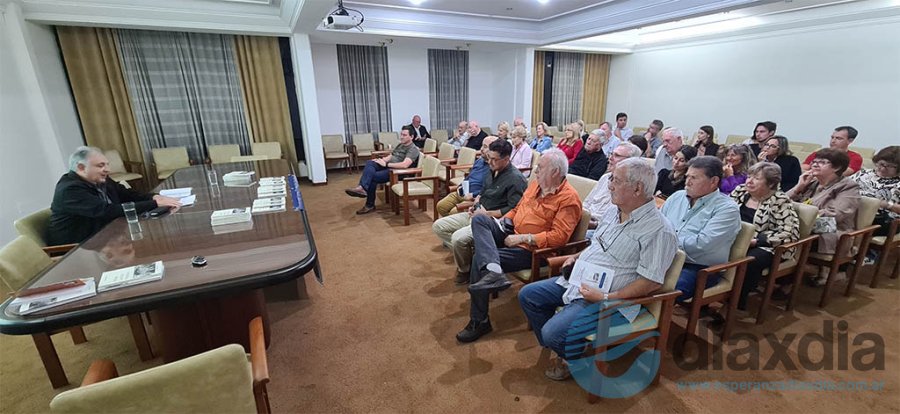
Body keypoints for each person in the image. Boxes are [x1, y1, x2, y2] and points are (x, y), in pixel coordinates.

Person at [518, 158, 677, 381]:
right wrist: (575, 256)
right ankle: (567, 346)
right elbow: (597, 245)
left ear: (637, 188)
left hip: (610, 301)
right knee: (528, 295)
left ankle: (569, 352)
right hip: (581, 281)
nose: (609, 184)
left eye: (616, 180)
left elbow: (651, 282)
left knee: (552, 332)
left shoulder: (659, 231)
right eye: (611, 178)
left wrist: (604, 296)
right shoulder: (614, 211)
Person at [456, 149, 582, 343]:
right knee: (480, 220)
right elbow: (516, 209)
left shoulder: (568, 199)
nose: (535, 170)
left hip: (532, 251)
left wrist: (524, 238)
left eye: (540, 167)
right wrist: (502, 223)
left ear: (555, 172)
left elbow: (559, 238)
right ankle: (494, 271)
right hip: (511, 233)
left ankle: (479, 320)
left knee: (478, 259)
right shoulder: (534, 186)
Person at [433, 139, 527, 284]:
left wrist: (486, 214)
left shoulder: (516, 179)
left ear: (507, 159)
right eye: (489, 158)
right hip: (477, 212)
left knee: (458, 239)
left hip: (492, 223)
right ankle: (472, 258)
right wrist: (476, 203)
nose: (489, 162)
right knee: (438, 226)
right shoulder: (491, 170)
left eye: (494, 159)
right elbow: (483, 192)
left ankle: (465, 270)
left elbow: (513, 209)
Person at [47, 147, 183, 246]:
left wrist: (155, 197)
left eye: (107, 165)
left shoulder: (100, 179)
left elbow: (128, 195)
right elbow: (106, 211)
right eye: (101, 166)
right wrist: (154, 204)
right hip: (78, 247)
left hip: (105, 236)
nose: (107, 169)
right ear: (81, 168)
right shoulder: (70, 189)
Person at [660, 156, 740, 301]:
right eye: (687, 176)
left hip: (698, 267)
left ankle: (644, 321)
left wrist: (666, 242)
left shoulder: (727, 208)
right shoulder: (677, 197)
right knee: (625, 275)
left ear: (714, 181)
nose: (687, 182)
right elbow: (657, 227)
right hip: (664, 256)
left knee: (662, 291)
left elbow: (702, 244)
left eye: (694, 178)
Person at [725, 162, 799, 318]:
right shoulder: (740, 191)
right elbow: (722, 212)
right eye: (749, 176)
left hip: (767, 245)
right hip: (735, 237)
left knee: (750, 261)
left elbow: (788, 232)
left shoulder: (780, 200)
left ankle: (737, 305)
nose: (749, 181)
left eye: (756, 178)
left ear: (771, 183)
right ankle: (713, 295)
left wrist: (757, 241)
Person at [787, 148, 860, 286]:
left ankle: (788, 280)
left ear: (837, 167)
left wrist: (804, 214)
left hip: (832, 228)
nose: (815, 165)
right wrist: (798, 187)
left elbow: (837, 214)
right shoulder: (812, 182)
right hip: (803, 222)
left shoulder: (848, 186)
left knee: (793, 235)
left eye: (822, 162)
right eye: (814, 161)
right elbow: (781, 202)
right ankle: (785, 275)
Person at [345, 125, 420, 214]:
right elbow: (392, 155)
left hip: (398, 172)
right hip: (389, 166)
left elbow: (405, 165)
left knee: (373, 178)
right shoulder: (401, 145)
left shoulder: (413, 149)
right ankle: (362, 187)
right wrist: (382, 160)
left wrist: (386, 164)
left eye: (404, 135)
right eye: (401, 134)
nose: (401, 137)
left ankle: (369, 204)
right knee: (370, 163)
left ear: (411, 137)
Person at [582, 142, 643, 238]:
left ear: (631, 161)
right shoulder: (605, 177)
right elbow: (587, 203)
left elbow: (617, 223)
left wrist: (591, 224)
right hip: (586, 220)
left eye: (617, 155)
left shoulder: (631, 188)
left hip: (601, 230)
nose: (610, 158)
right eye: (611, 154)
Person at [434, 137, 497, 218]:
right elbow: (469, 177)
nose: (481, 149)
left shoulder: (494, 167)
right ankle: (453, 225)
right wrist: (460, 186)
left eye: (485, 147)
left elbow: (489, 190)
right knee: (441, 206)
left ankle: (454, 224)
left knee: (453, 213)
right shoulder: (479, 161)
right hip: (463, 191)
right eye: (482, 146)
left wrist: (473, 195)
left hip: (473, 198)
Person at [850, 146, 900, 238]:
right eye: (881, 164)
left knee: (845, 222)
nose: (883, 168)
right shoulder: (864, 173)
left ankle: (852, 247)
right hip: (852, 210)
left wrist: (886, 204)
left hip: (884, 220)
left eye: (890, 166)